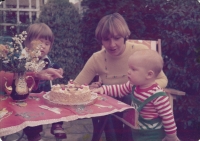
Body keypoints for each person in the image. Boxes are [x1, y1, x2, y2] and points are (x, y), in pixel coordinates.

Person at [74, 12, 168, 141]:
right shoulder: (97, 58)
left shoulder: (140, 51)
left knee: (130, 97)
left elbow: (162, 79)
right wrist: (88, 88)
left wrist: (143, 88)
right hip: (111, 106)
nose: (112, 44)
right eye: (107, 39)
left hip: (138, 104)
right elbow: (76, 86)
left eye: (117, 38)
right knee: (107, 100)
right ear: (101, 40)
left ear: (124, 36)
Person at [92, 49, 180, 141]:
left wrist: (171, 136)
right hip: (138, 132)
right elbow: (119, 89)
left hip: (153, 135)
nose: (128, 71)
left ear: (149, 74)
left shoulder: (158, 96)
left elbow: (168, 117)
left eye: (133, 69)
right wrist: (102, 89)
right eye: (129, 68)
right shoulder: (133, 85)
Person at [23, 23, 66, 141]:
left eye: (47, 44)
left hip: (44, 93)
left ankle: (57, 124)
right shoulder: (23, 59)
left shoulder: (46, 60)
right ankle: (34, 135)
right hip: (28, 95)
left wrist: (58, 69)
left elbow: (53, 66)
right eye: (39, 42)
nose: (43, 46)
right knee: (31, 115)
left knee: (57, 98)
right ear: (27, 43)